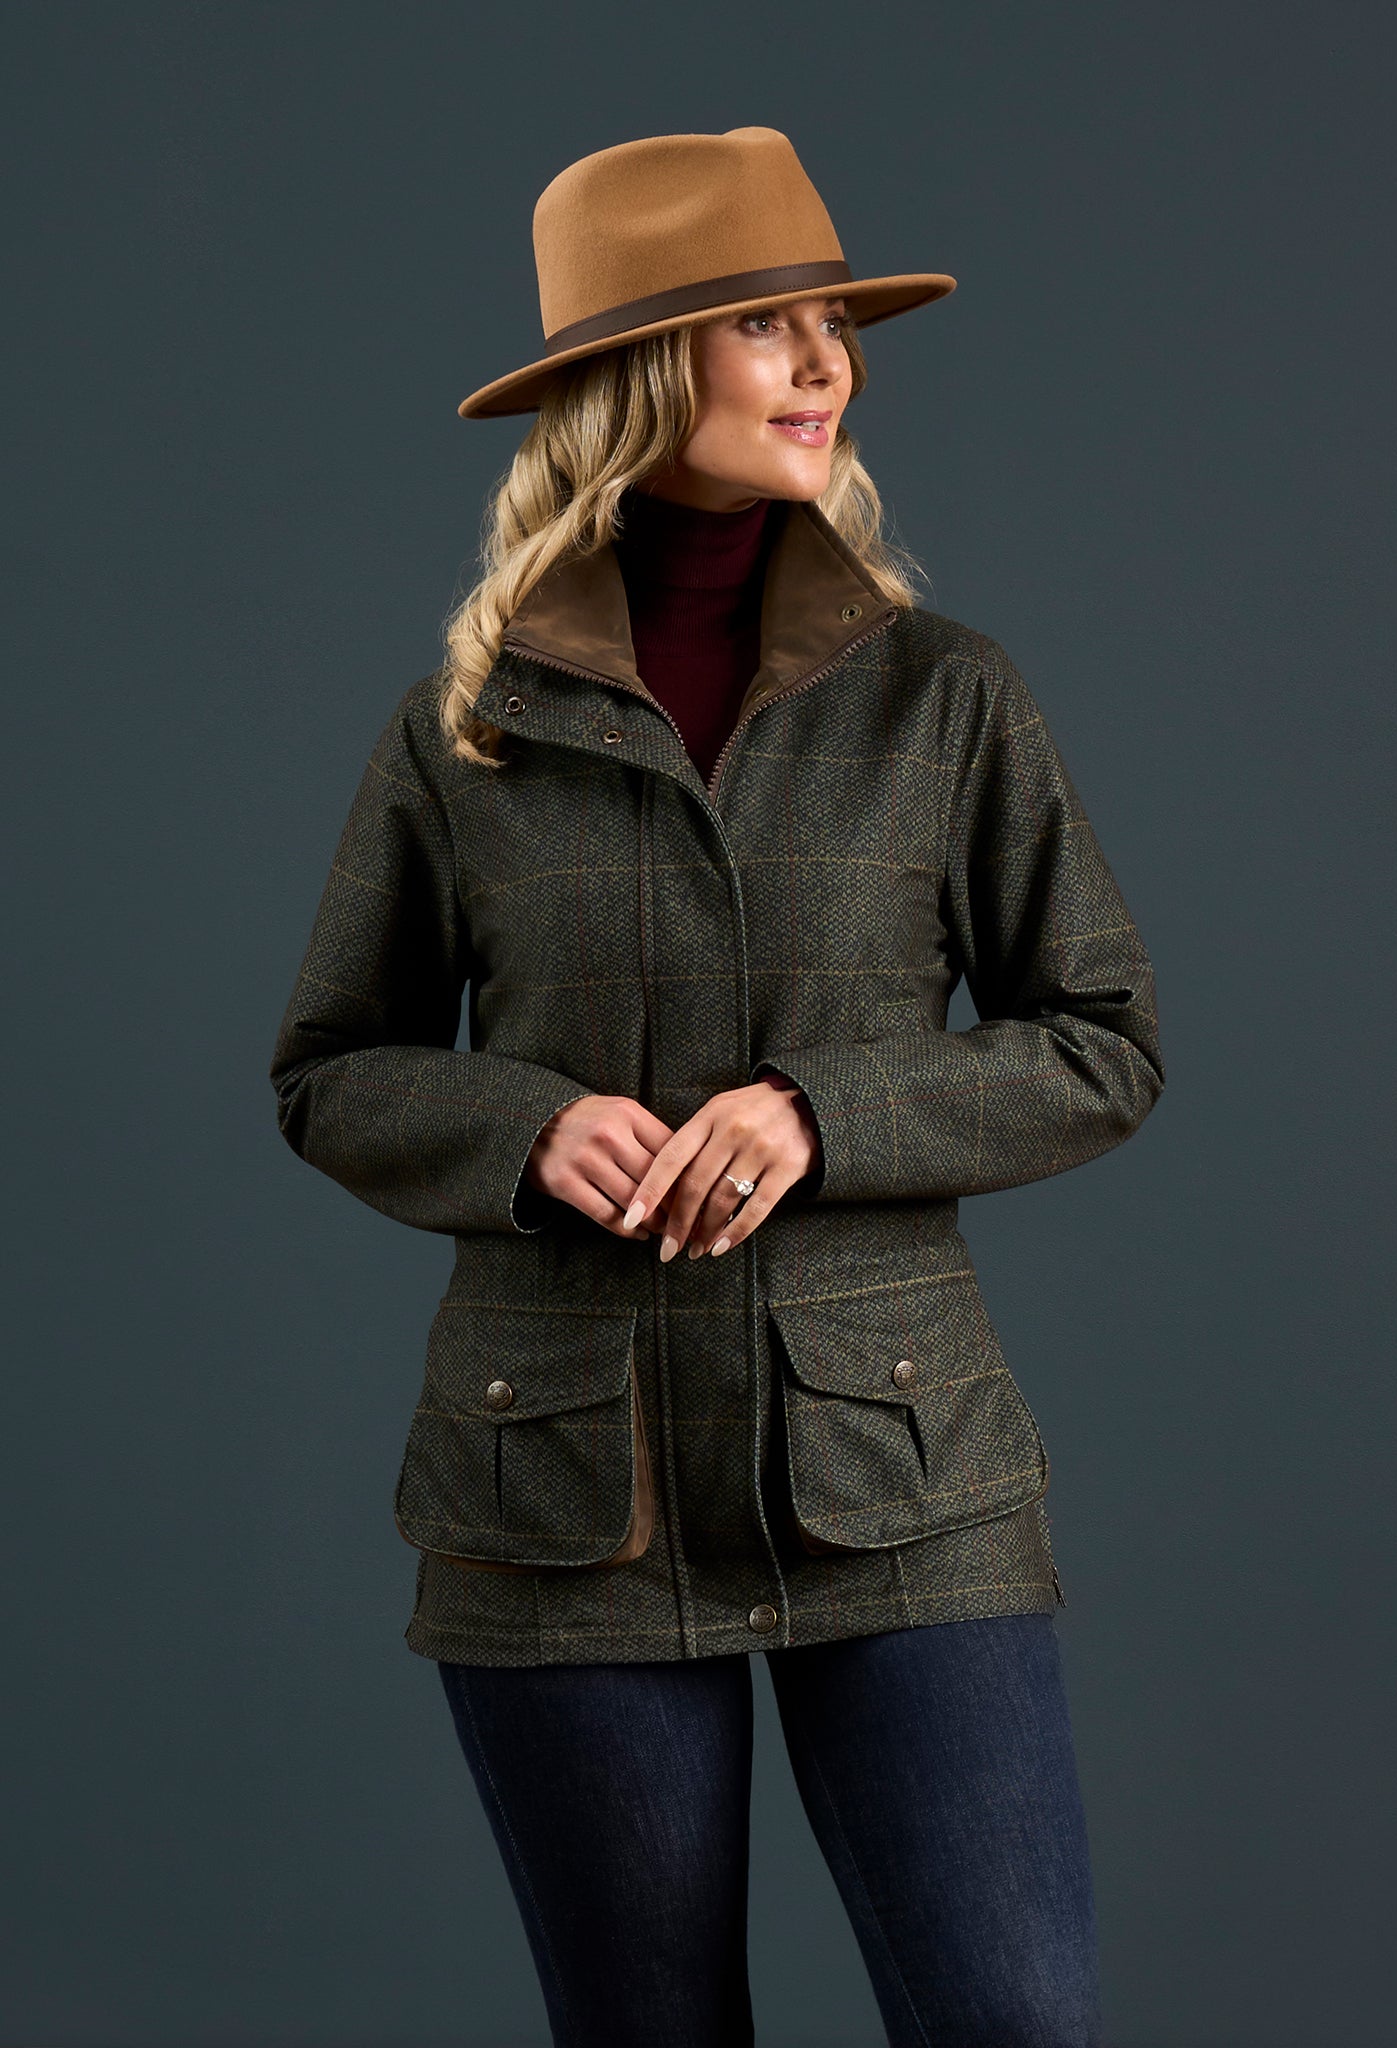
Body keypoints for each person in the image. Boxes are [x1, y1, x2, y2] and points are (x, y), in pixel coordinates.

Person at [269, 126, 1165, 2048]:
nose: (827, 361)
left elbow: (1102, 1041)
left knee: (1014, 2018)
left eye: (833, 321)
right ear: (632, 375)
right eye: (766, 324)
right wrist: (522, 1130)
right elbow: (331, 1072)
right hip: (563, 1489)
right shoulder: (467, 732)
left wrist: (825, 1112)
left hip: (897, 1467)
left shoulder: (945, 696)